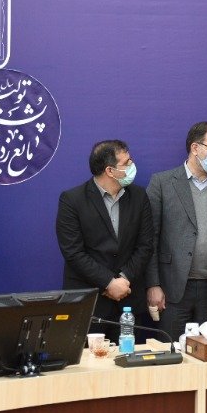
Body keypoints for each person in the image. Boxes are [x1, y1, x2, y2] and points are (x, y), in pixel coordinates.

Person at [146, 121, 207, 338]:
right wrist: (153, 284)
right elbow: (149, 240)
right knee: (171, 351)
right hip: (172, 290)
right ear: (195, 148)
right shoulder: (162, 183)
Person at [56, 140, 154, 338]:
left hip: (128, 301)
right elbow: (73, 252)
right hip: (90, 303)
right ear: (110, 171)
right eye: (126, 163)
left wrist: (123, 280)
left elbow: (145, 245)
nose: (132, 166)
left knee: (129, 356)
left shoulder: (139, 196)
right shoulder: (72, 200)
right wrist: (109, 283)